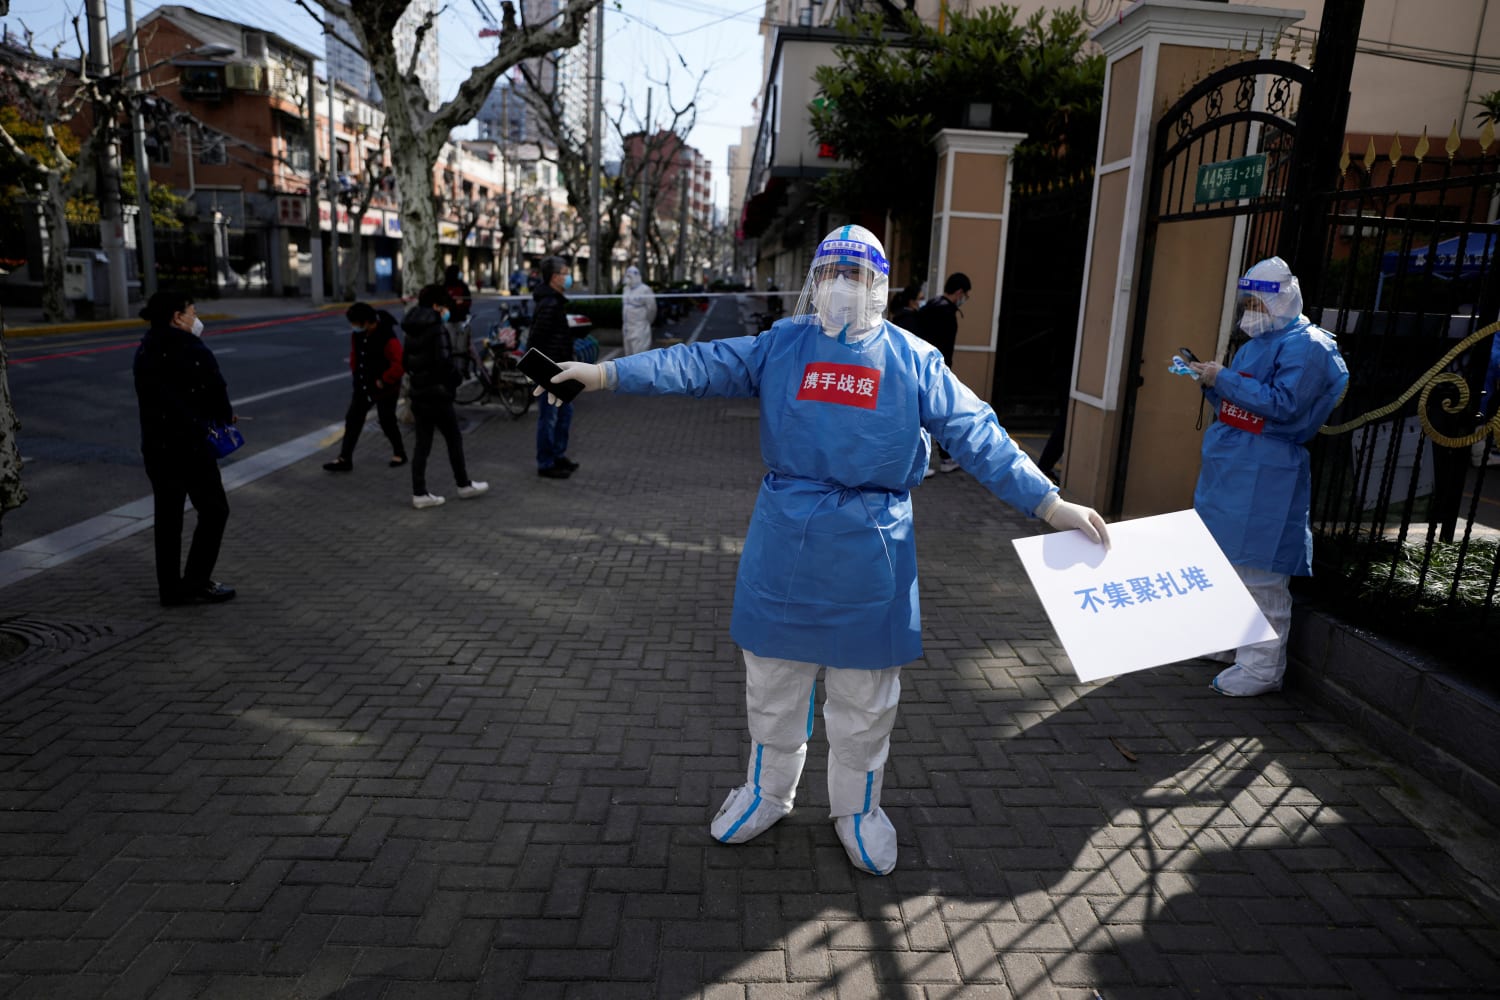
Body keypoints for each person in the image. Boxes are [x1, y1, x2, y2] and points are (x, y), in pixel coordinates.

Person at [537, 225, 1109, 876]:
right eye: (831, 272)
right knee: (773, 690)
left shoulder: (913, 360)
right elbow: (696, 365)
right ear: (814, 282)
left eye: (857, 274)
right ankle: (766, 793)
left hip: (872, 554)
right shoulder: (783, 346)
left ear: (880, 285)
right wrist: (607, 374)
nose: (843, 286)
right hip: (785, 544)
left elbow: (977, 432)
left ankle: (858, 809)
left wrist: (1047, 501)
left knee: (865, 701)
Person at [1187, 256, 1348, 697]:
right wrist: (1211, 382)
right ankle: (1229, 643)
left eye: (1258, 302)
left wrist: (1224, 379)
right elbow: (1238, 406)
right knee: (1227, 562)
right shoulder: (1258, 344)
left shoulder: (1310, 346)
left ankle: (1262, 668)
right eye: (1248, 302)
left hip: (1268, 472)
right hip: (1233, 469)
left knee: (1261, 571)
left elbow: (1283, 406)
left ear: (1282, 299)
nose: (1250, 311)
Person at [133, 290, 237, 606]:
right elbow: (217, 393)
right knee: (214, 510)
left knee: (168, 519)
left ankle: (170, 590)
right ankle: (196, 580)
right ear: (178, 316)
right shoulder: (193, 348)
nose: (196, 318)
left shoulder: (146, 348)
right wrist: (223, 417)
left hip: (158, 447)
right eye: (192, 311)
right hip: (192, 447)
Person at [402, 284, 489, 509]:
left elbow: (406, 362)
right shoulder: (436, 327)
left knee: (422, 444)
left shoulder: (411, 328)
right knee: (453, 439)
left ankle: (419, 492)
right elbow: (444, 362)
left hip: (419, 394)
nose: (446, 311)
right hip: (438, 395)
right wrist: (455, 378)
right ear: (436, 305)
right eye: (444, 306)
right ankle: (463, 484)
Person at [322, 302, 408, 472]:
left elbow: (400, 363)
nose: (353, 327)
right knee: (353, 420)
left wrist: (384, 380)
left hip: (385, 387)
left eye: (355, 323)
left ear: (367, 322)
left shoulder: (387, 336)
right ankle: (344, 459)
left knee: (386, 420)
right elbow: (355, 354)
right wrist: (356, 372)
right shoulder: (358, 335)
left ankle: (400, 453)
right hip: (363, 385)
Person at [912, 272, 973, 475]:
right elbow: (945, 349)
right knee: (938, 416)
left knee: (924, 416)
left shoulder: (931, 305)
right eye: (965, 295)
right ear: (959, 293)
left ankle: (939, 458)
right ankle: (936, 460)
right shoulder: (947, 314)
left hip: (916, 368)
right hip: (935, 373)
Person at [531, 255, 579, 479]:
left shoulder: (555, 300)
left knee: (564, 414)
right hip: (550, 370)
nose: (568, 277)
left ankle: (558, 455)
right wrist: (545, 372)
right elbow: (537, 340)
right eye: (565, 273)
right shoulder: (549, 303)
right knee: (549, 418)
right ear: (554, 277)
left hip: (560, 368)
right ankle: (546, 462)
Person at [621, 265, 658, 356]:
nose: (628, 278)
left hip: (640, 328)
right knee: (628, 356)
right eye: (627, 276)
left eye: (630, 276)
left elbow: (652, 309)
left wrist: (646, 321)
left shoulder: (645, 290)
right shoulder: (625, 289)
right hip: (627, 328)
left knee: (639, 356)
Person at [442, 263, 474, 358]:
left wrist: (460, 303)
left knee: (461, 348)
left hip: (462, 320)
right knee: (451, 346)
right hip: (449, 321)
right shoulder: (445, 287)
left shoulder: (463, 286)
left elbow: (468, 302)